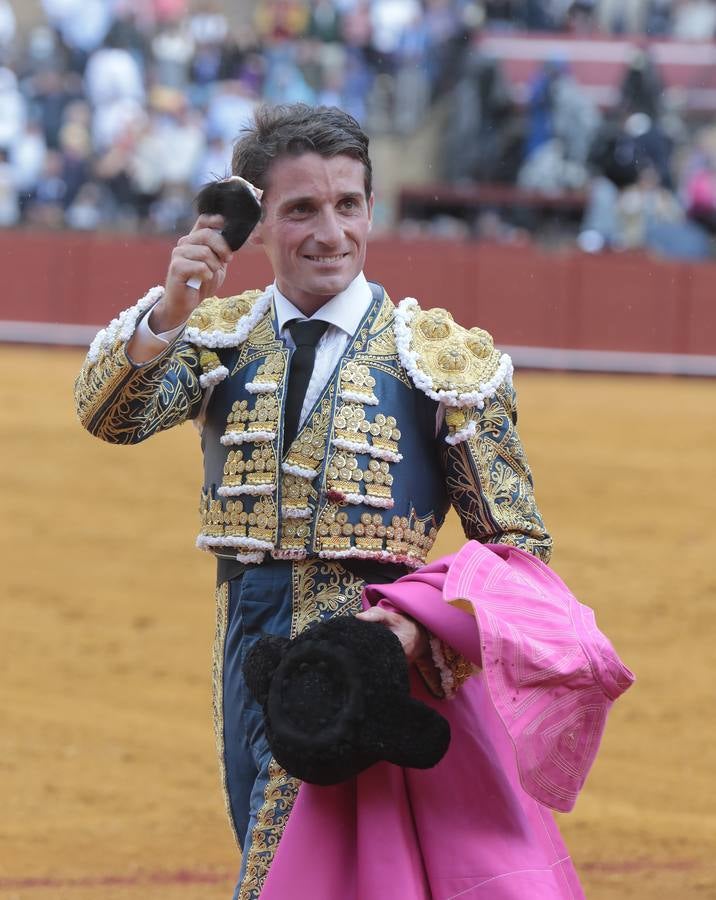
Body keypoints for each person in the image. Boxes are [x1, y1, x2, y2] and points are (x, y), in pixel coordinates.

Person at [74, 103, 616, 899]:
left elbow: (517, 551)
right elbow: (109, 416)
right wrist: (169, 310)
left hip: (364, 666)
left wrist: (407, 632)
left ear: (371, 207)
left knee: (284, 878)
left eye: (348, 205)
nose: (330, 232)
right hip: (242, 653)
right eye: (301, 210)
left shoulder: (437, 360)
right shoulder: (216, 336)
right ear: (257, 223)